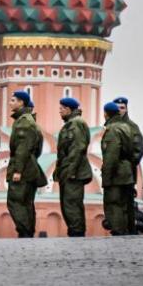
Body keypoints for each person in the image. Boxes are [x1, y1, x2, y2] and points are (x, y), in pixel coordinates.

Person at [6, 90, 47, 238]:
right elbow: (37, 149)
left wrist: (18, 170)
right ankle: (27, 232)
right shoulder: (30, 121)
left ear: (21, 102)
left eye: (12, 100)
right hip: (30, 167)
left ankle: (25, 232)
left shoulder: (23, 122)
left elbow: (22, 149)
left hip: (23, 170)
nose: (9, 102)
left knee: (16, 201)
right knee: (26, 202)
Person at [54, 97, 92, 237]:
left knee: (72, 204)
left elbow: (77, 150)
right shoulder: (71, 124)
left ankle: (77, 233)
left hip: (74, 173)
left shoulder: (76, 124)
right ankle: (75, 231)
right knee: (68, 204)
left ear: (69, 109)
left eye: (62, 108)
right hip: (69, 171)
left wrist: (70, 172)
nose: (60, 111)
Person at [101, 101, 135, 235]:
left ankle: (118, 232)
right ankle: (125, 231)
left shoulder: (112, 130)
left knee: (114, 203)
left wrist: (107, 178)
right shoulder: (126, 127)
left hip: (116, 174)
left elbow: (111, 156)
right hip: (126, 172)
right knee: (124, 205)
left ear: (106, 114)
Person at [113, 97, 143, 234]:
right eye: (117, 108)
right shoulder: (110, 126)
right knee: (115, 202)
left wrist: (129, 165)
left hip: (127, 172)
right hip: (113, 172)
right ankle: (118, 229)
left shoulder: (132, 127)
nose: (120, 110)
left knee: (127, 203)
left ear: (126, 109)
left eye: (122, 108)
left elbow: (138, 150)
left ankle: (129, 230)